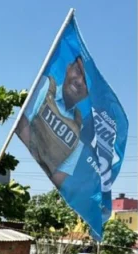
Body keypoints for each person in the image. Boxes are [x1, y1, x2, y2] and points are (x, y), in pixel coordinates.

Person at [16, 55, 89, 188]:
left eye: (86, 81)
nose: (79, 81)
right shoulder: (45, 85)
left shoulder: (80, 132)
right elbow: (21, 125)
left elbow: (59, 178)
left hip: (37, 187)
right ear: (68, 68)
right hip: (14, 165)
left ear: (87, 94)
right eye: (78, 71)